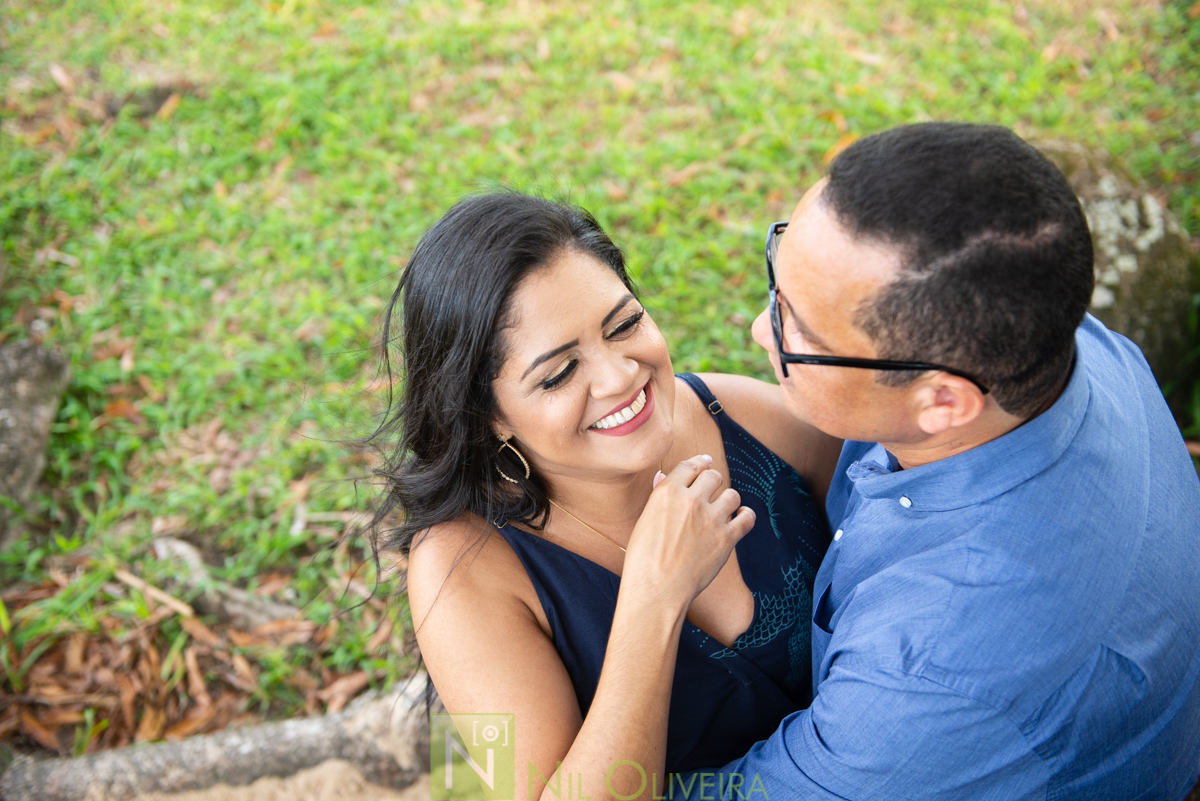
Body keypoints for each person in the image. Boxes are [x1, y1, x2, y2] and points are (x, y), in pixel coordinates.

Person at [630, 122, 1200, 800]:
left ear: (944, 402)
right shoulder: (1049, 337)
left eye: (797, 329)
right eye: (778, 268)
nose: (759, 329)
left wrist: (649, 603)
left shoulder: (933, 668)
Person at [381, 192, 844, 798]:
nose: (621, 375)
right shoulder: (462, 570)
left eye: (624, 325)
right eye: (558, 373)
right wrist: (654, 600)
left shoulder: (746, 418)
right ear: (487, 414)